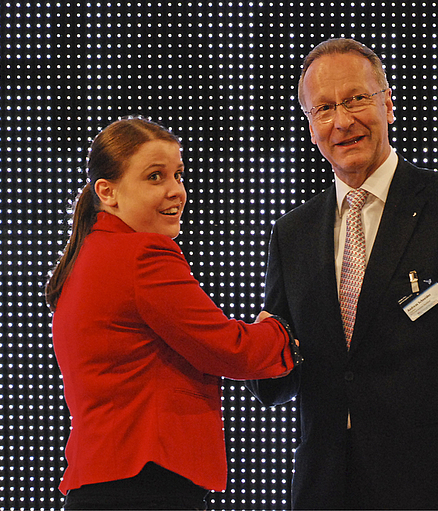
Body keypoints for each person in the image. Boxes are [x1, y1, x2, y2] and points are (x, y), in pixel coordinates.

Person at [246, 38, 438, 510]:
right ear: (311, 128)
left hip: (434, 488)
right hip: (323, 490)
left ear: (388, 104)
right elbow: (279, 378)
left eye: (356, 99)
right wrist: (245, 348)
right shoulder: (291, 233)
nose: (342, 121)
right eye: (324, 108)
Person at [45, 116, 301, 510]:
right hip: (147, 485)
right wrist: (285, 331)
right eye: (154, 177)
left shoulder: (84, 260)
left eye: (178, 175)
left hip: (102, 484)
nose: (175, 191)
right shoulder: (143, 255)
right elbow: (230, 349)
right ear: (107, 192)